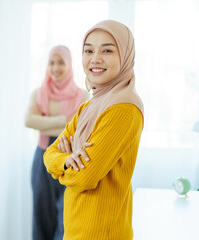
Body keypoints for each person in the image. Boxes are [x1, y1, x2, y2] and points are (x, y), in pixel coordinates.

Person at [43, 20, 144, 240]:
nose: (95, 58)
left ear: (125, 55)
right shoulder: (88, 107)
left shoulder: (123, 109)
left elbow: (84, 178)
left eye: (107, 50)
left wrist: (62, 164)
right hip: (77, 229)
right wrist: (66, 160)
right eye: (88, 50)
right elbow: (49, 154)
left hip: (101, 233)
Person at [25, 45, 89, 240]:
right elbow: (29, 121)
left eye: (61, 62)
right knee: (41, 215)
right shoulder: (39, 93)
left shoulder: (82, 95)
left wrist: (43, 123)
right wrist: (63, 121)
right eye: (51, 62)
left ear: (69, 65)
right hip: (43, 156)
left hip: (70, 158)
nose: (55, 67)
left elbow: (78, 129)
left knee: (66, 216)